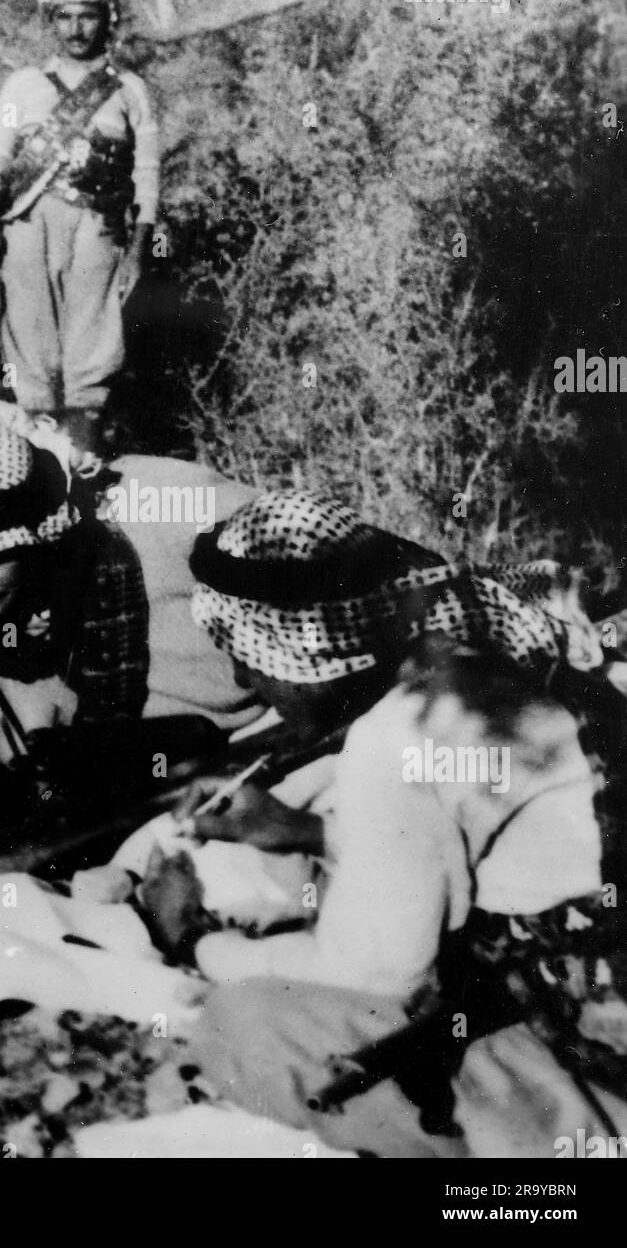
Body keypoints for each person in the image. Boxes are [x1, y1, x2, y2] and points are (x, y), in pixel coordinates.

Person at [168, 491, 627, 1157]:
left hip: (600, 1050)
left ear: (306, 649)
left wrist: (194, 941)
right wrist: (303, 832)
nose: (241, 674)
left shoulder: (399, 733)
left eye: (248, 650)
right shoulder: (477, 660)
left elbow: (372, 975)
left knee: (246, 1025)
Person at [0, 414, 262, 874]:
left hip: (256, 761)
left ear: (44, 539)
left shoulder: (162, 506)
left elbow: (314, 559)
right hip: (86, 818)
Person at [0, 0, 160, 453]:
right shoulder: (23, 86)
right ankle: (39, 466)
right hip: (29, 225)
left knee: (91, 344)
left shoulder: (129, 90)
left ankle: (86, 461)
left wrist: (139, 249)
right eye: (64, 18)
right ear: (50, 23)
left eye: (88, 18)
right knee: (31, 345)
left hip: (98, 228)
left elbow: (147, 176)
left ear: (107, 22)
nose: (76, 29)